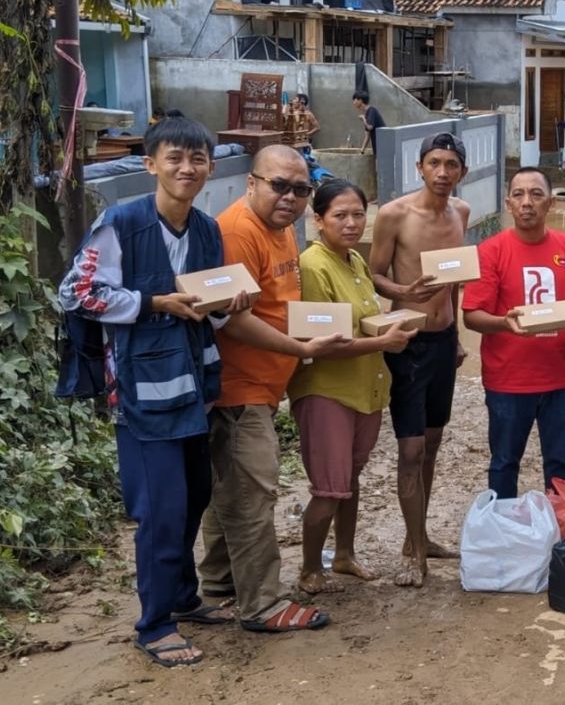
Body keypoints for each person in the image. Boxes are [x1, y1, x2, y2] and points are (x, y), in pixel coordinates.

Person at [57, 119, 338, 666]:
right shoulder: (122, 223)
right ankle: (154, 624)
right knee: (160, 512)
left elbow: (210, 308)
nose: (186, 169)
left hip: (195, 390)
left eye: (198, 160)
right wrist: (154, 303)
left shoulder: (206, 231)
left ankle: (185, 599)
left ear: (212, 169)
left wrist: (224, 308)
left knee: (192, 502)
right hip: (140, 396)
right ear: (150, 164)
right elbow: (76, 292)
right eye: (175, 158)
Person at [199, 144, 348, 633]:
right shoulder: (236, 231)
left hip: (265, 382)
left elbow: (281, 301)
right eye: (278, 185)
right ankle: (262, 604)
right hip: (237, 387)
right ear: (251, 183)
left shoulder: (282, 228)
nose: (290, 196)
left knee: (232, 488)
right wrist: (302, 349)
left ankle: (220, 583)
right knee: (252, 492)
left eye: (301, 189)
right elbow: (233, 322)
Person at [289, 179, 416, 595]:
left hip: (365, 388)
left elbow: (362, 319)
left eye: (358, 214)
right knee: (329, 487)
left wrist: (396, 324)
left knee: (350, 479)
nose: (350, 223)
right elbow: (321, 343)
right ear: (318, 219)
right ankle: (310, 569)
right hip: (328, 392)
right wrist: (382, 341)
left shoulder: (355, 263)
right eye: (339, 215)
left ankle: (343, 555)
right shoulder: (313, 265)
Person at [369, 133, 471, 587]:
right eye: (435, 163)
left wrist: (460, 336)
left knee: (431, 444)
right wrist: (403, 292)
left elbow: (458, 279)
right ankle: (412, 551)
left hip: (444, 339)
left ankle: (420, 536)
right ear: (420, 167)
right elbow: (373, 274)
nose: (443, 172)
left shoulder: (462, 213)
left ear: (461, 172)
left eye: (451, 164)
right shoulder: (394, 215)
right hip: (407, 342)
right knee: (409, 449)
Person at [462, 167, 565, 498]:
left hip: (561, 378)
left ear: (550, 203)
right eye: (519, 194)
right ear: (508, 203)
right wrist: (504, 323)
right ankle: (504, 531)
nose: (528, 202)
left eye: (536, 194)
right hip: (508, 380)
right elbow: (472, 315)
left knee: (563, 463)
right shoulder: (491, 251)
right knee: (505, 462)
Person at [353, 90, 385, 155]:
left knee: (380, 164)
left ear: (360, 100)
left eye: (354, 99)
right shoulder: (367, 113)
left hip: (383, 146)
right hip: (377, 148)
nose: (353, 102)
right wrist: (362, 151)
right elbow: (367, 135)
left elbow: (370, 127)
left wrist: (363, 118)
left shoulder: (371, 110)